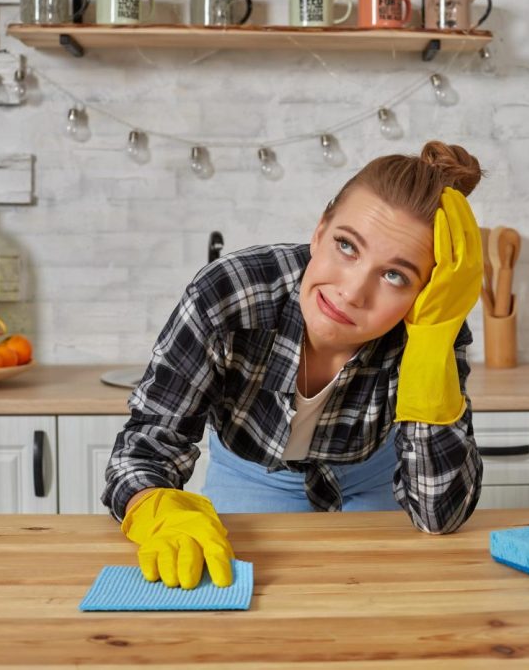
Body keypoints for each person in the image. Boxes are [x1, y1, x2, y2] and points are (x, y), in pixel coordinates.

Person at [102, 141, 486, 590]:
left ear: (426, 291)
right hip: (252, 477)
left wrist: (430, 348)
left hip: (373, 480)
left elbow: (440, 516)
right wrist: (156, 508)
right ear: (319, 232)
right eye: (346, 246)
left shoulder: (431, 330)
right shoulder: (231, 292)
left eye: (394, 275)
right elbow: (145, 451)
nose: (352, 291)